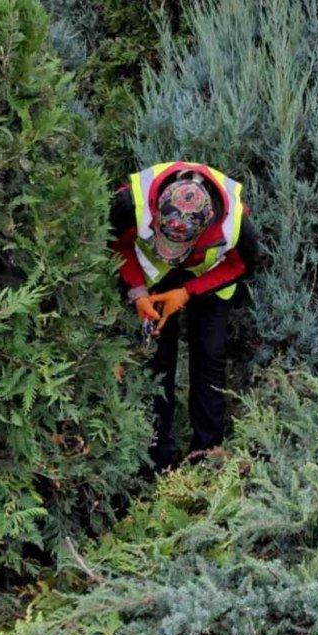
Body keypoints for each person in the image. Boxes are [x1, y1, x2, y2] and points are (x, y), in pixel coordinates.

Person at [110, 160, 262, 470]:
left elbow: (242, 265)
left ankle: (206, 456)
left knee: (209, 356)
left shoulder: (235, 224)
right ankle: (156, 456)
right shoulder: (130, 203)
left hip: (209, 276)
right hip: (154, 278)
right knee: (157, 359)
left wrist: (187, 292)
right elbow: (117, 244)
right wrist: (137, 292)